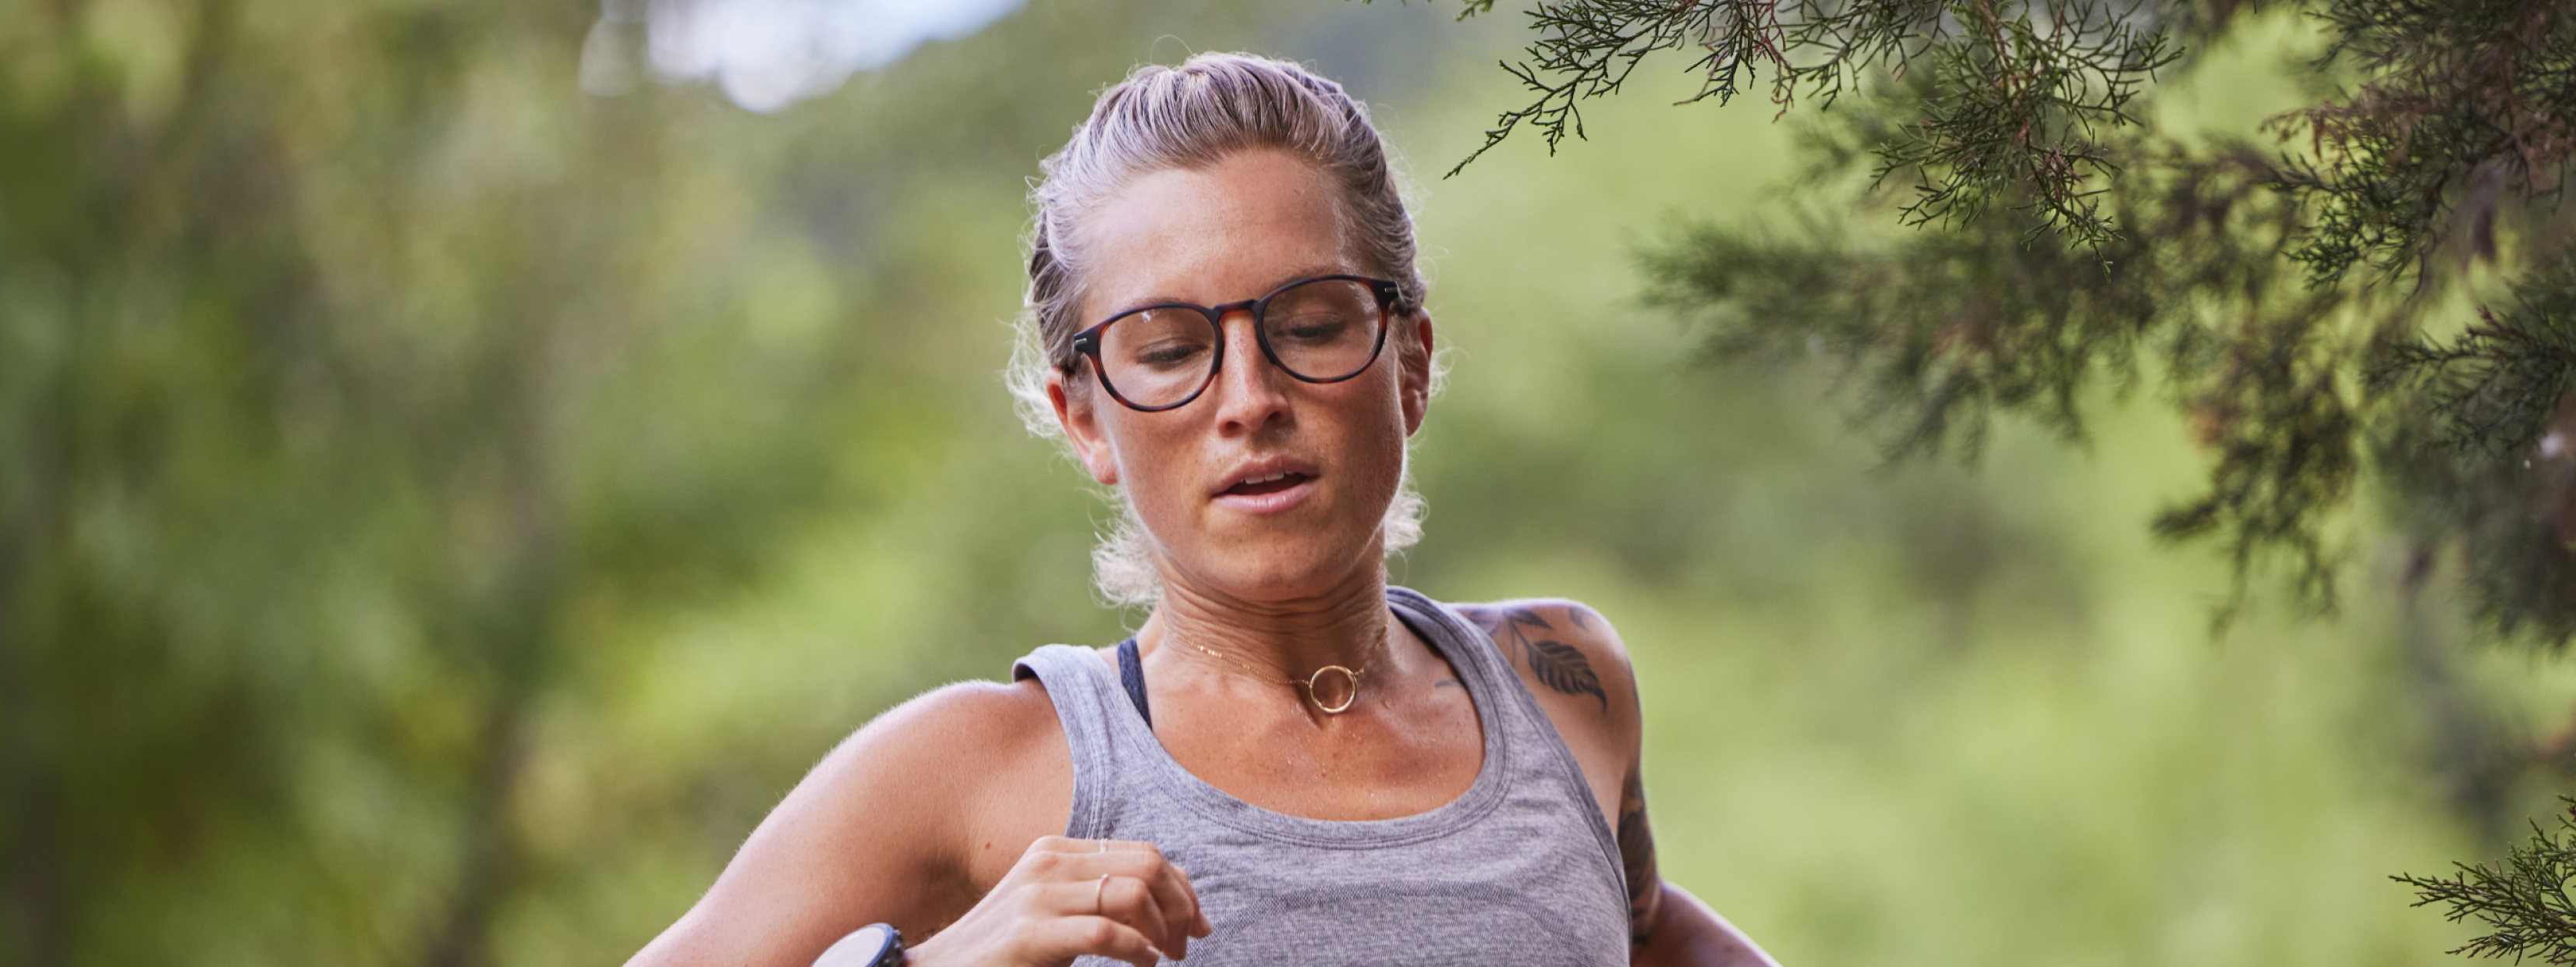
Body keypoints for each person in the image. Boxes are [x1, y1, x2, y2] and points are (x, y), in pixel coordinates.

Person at [625, 54, 1781, 967]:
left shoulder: (1561, 681)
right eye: (1169, 349)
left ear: (1411, 362)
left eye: (1314, 324)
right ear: (1086, 420)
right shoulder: (977, 770)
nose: (1250, 399)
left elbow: (1646, 936)